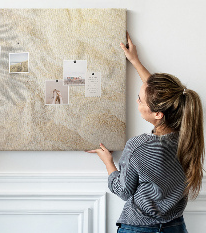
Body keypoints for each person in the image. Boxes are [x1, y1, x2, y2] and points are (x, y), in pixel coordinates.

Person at [87, 32, 204, 232]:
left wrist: (108, 163)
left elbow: (123, 190)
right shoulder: (187, 134)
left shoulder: (138, 147)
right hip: (175, 227)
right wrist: (135, 61)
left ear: (158, 114)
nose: (137, 101)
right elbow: (163, 97)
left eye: (140, 99)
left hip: (139, 228)